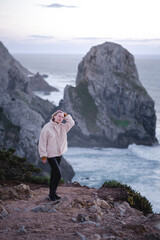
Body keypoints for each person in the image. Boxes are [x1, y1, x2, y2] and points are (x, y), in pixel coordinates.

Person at [38, 110, 75, 201]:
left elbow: (71, 122)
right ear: (54, 116)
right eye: (59, 116)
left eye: (62, 117)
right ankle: (52, 195)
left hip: (59, 154)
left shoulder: (63, 127)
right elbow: (42, 142)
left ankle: (52, 194)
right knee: (58, 174)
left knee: (54, 174)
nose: (60, 118)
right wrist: (43, 155)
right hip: (50, 155)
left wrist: (65, 115)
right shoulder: (47, 127)